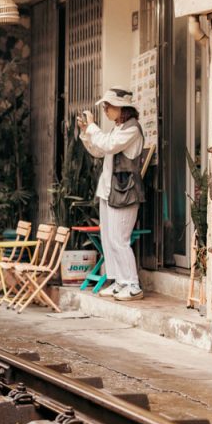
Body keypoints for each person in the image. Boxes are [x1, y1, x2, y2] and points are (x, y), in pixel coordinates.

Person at [78, 87, 146, 302]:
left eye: (108, 106)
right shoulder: (119, 128)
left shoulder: (132, 129)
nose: (105, 110)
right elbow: (99, 150)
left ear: (121, 108)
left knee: (119, 239)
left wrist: (92, 128)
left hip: (125, 191)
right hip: (110, 191)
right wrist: (86, 132)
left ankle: (132, 285)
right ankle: (119, 281)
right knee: (109, 238)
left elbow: (107, 144)